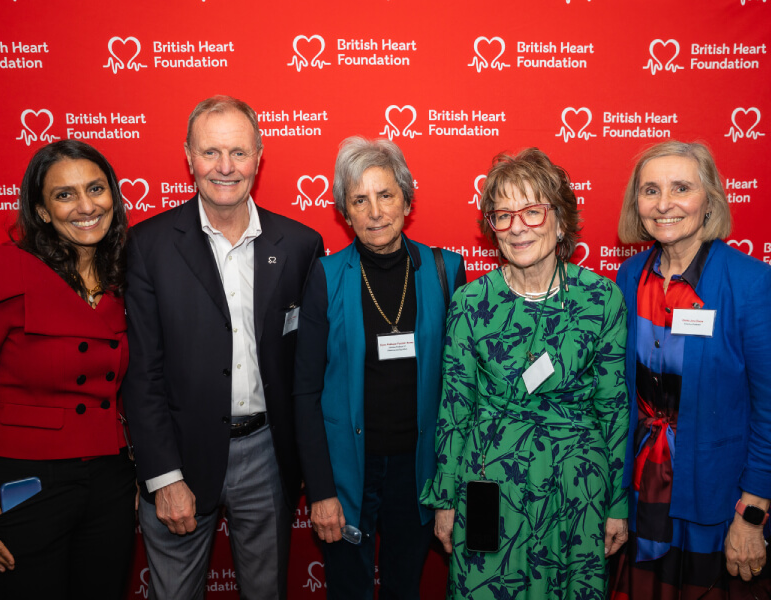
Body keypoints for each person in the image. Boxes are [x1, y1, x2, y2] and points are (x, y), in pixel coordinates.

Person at [122, 95, 324, 600]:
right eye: (211, 152)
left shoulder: (301, 244)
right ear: (188, 157)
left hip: (267, 454)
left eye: (238, 152)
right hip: (179, 454)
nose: (225, 167)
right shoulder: (147, 246)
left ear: (259, 156)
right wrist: (164, 476)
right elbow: (141, 372)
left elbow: (308, 369)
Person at [421, 148, 629, 599]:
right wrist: (444, 499)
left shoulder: (600, 299)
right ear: (491, 228)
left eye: (532, 212)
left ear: (560, 222)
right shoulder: (471, 303)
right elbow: (455, 408)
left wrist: (617, 502)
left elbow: (614, 408)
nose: (517, 227)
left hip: (577, 488)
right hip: (488, 483)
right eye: (503, 215)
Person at [294, 136, 466, 599]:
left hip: (418, 470)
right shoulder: (324, 277)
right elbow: (305, 393)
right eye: (360, 200)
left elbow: (459, 388)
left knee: (403, 587)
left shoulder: (446, 269)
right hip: (348, 470)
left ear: (407, 200)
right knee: (349, 589)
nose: (374, 212)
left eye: (386, 195)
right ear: (344, 212)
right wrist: (322, 490)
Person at [0, 140, 134, 599]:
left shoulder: (127, 277)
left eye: (96, 189)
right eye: (64, 195)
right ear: (41, 211)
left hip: (109, 484)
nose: (86, 206)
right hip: (23, 484)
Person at [610, 140, 771, 599]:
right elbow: (619, 399)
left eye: (681, 188)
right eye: (650, 190)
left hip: (717, 505)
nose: (664, 204)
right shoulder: (628, 278)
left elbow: (768, 411)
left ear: (710, 200)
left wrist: (752, 514)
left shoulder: (751, 283)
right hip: (643, 495)